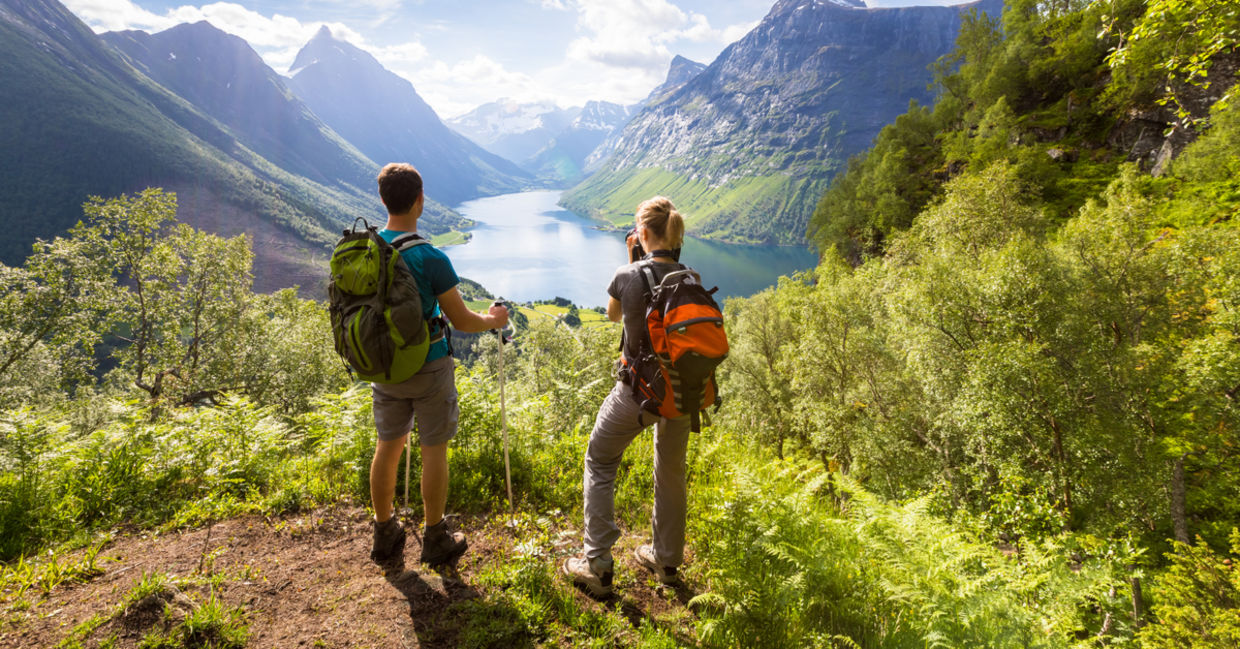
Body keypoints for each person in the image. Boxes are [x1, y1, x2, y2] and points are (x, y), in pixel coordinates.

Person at [368, 162, 508, 568]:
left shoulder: (368, 250)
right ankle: (435, 537)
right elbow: (462, 321)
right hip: (429, 365)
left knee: (387, 446)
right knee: (433, 450)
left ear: (382, 200)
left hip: (384, 365)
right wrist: (494, 320)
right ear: (420, 200)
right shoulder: (430, 256)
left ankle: (384, 531)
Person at [562, 196, 691, 597]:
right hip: (681, 392)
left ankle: (597, 565)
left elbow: (613, 314)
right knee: (671, 472)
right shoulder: (690, 277)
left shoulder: (627, 274)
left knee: (600, 460)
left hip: (637, 393)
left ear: (644, 233)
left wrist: (633, 259)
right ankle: (666, 562)